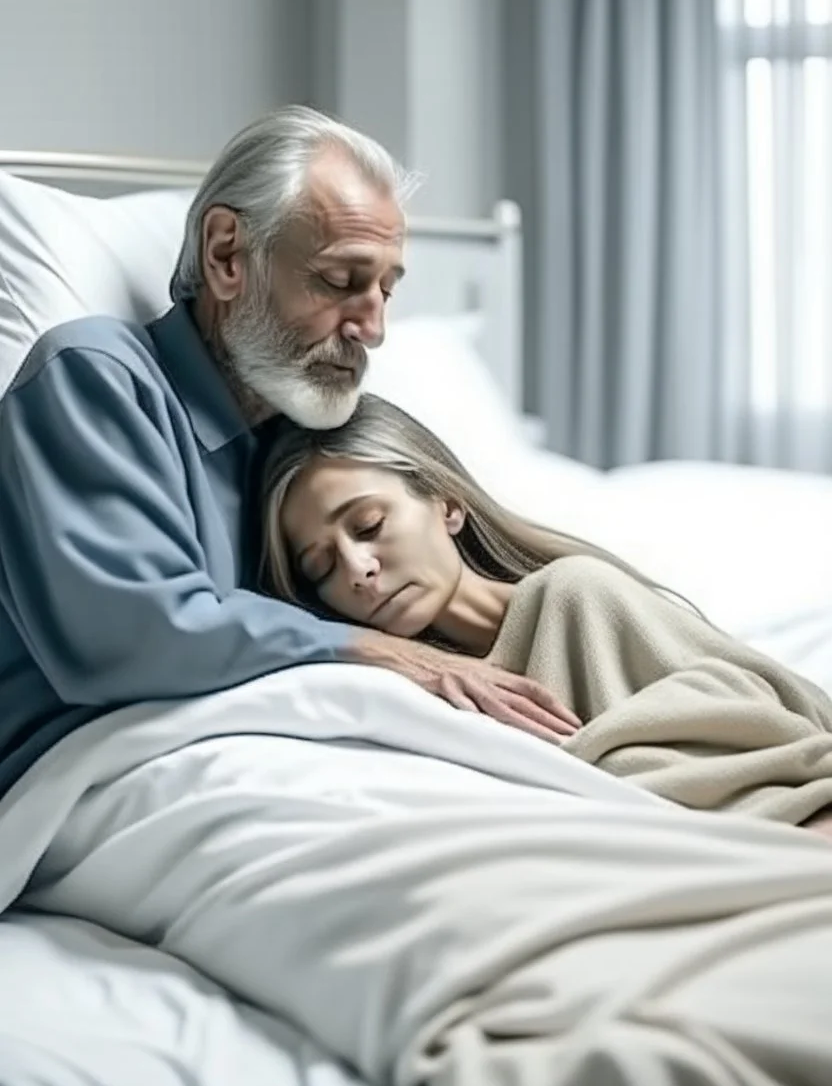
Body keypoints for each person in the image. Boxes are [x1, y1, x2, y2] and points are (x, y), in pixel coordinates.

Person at [0, 105, 578, 804]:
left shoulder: (303, 443)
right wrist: (384, 656)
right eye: (340, 283)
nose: (374, 328)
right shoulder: (94, 377)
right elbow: (132, 632)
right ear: (226, 257)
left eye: (387, 289)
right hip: (87, 772)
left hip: (269, 750)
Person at [260, 391, 832, 832]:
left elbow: (780, 713)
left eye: (369, 526)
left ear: (447, 503)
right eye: (320, 567)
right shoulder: (399, 693)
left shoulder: (575, 594)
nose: (357, 569)